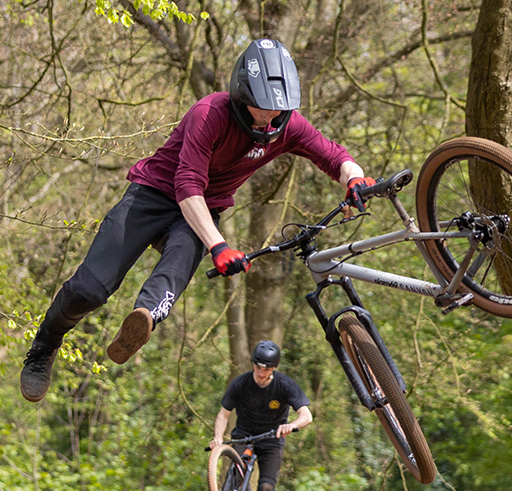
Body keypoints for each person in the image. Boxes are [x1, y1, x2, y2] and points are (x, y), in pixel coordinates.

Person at [20, 38, 376, 402]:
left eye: (278, 109)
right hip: (152, 195)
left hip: (202, 210)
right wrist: (218, 245)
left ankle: (143, 318)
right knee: (87, 292)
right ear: (241, 95)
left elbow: (333, 156)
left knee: (172, 272)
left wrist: (354, 178)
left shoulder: (288, 126)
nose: (271, 118)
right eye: (263, 108)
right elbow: (187, 183)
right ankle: (45, 343)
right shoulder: (210, 113)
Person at [209, 340, 312, 491]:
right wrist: (218, 437)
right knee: (236, 473)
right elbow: (223, 415)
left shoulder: (285, 385)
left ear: (274, 368)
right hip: (243, 435)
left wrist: (292, 425)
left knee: (266, 489)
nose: (261, 372)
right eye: (257, 367)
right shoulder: (241, 383)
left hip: (271, 440)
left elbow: (306, 415)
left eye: (266, 368)